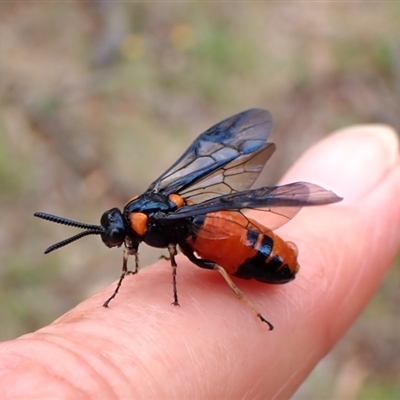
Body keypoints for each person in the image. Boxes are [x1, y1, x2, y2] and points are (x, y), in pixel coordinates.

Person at [0, 124, 399, 399]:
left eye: (119, 237)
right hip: (217, 228)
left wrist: (168, 281)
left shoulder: (152, 222)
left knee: (217, 263)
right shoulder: (146, 212)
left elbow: (171, 256)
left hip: (246, 246)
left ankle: (247, 305)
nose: (122, 243)